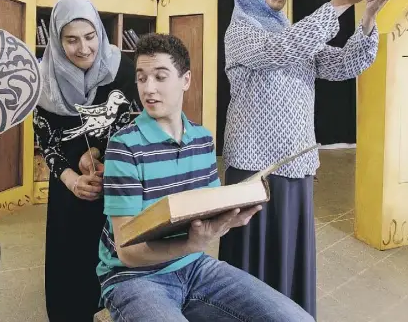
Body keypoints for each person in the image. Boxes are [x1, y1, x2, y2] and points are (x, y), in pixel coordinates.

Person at [219, 0, 396, 318]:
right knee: (255, 268)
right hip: (256, 169)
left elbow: (346, 64)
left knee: (288, 260)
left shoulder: (295, 35)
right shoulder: (240, 32)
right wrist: (342, 1)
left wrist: (370, 14)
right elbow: (281, 49)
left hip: (296, 166)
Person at [97, 33, 314, 322]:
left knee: (296, 319)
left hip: (195, 267)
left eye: (160, 77)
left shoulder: (202, 139)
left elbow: (205, 208)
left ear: (185, 80)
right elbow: (128, 253)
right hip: (134, 278)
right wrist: (193, 244)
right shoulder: (123, 146)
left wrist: (228, 219)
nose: (149, 89)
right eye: (141, 78)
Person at [34, 0, 140, 322]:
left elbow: (132, 122)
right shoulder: (43, 79)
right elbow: (46, 139)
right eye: (71, 40)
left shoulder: (122, 68)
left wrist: (98, 153)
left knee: (118, 259)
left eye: (90, 37)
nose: (83, 49)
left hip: (114, 180)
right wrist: (72, 178)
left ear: (100, 32)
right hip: (69, 186)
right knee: (70, 268)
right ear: (55, 39)